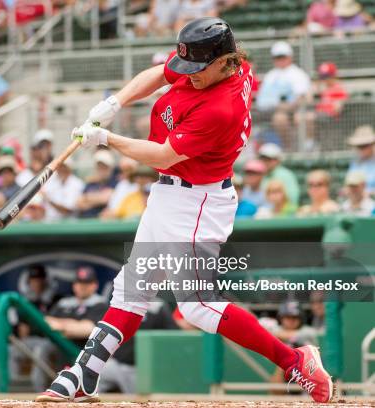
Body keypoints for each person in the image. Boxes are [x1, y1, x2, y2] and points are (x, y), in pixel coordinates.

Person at [37, 18, 333, 404]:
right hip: (169, 195)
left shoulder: (221, 108)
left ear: (225, 61)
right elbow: (160, 74)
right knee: (131, 290)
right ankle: (83, 372)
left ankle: (295, 361)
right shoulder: (219, 65)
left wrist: (106, 138)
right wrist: (113, 103)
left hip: (198, 202)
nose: (188, 76)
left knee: (197, 307)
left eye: (197, 69)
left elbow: (163, 155)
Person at [32, 267, 108, 392]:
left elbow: (88, 329)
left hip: (85, 353)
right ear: (74, 285)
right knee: (41, 348)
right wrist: (72, 326)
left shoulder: (100, 304)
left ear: (95, 285)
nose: (82, 286)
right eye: (79, 283)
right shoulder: (64, 303)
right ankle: (39, 391)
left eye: (87, 283)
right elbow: (46, 323)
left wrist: (60, 326)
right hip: (60, 352)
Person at [99, 301, 177, 394]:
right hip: (117, 363)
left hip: (141, 368)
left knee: (139, 401)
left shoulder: (157, 306)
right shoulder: (120, 302)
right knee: (91, 378)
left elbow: (172, 337)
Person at [255, 41, 311, 148]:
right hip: (271, 112)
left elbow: (303, 97)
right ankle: (288, 148)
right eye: (277, 57)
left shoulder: (297, 73)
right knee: (279, 118)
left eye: (283, 57)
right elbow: (261, 101)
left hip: (294, 110)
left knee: (299, 117)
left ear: (290, 57)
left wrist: (288, 106)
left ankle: (304, 147)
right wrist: (278, 106)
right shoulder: (270, 76)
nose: (280, 60)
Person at [76, 150, 118, 218]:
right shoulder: (90, 183)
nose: (101, 169)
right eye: (99, 166)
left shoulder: (115, 182)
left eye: (104, 167)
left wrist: (87, 198)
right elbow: (79, 203)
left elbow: (106, 199)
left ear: (110, 168)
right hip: (86, 221)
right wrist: (97, 199)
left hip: (104, 222)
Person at [347, 125, 375, 193]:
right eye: (359, 146)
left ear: (371, 145)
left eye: (364, 146)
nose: (361, 149)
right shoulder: (355, 163)